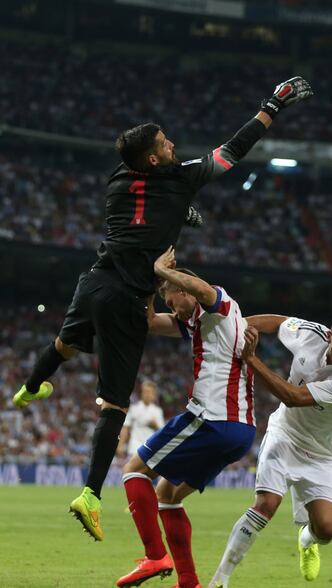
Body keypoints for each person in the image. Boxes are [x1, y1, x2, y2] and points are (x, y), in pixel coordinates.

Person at [11, 76, 313, 541]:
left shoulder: (118, 181)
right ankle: (90, 495)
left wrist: (180, 215)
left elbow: (147, 211)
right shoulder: (178, 180)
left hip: (91, 282)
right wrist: (273, 104)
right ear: (154, 159)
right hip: (127, 301)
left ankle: (30, 386)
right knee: (113, 404)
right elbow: (232, 151)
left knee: (66, 344)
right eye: (165, 143)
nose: (173, 145)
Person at [116, 246, 256, 588]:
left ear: (184, 290)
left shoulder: (219, 304)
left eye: (170, 299)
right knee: (168, 495)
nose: (170, 307)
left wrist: (162, 271)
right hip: (241, 431)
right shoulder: (198, 322)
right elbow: (149, 322)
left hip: (210, 418)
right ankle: (189, 582)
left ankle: (154, 556)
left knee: (133, 470)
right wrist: (153, 284)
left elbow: (203, 290)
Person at [209, 313, 332, 587]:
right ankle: (220, 580)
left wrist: (251, 359)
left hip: (323, 455)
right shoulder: (310, 334)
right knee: (266, 504)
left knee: (327, 530)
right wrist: (236, 327)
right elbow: (277, 322)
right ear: (330, 335)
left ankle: (307, 538)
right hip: (285, 434)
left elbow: (293, 397)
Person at [117, 381, 165, 460]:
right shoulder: (134, 408)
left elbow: (162, 432)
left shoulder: (158, 411)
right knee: (131, 472)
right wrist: (121, 445)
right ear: (141, 393)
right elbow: (126, 427)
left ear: (154, 395)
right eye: (145, 392)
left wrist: (155, 426)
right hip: (134, 448)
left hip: (150, 450)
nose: (147, 394)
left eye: (150, 392)